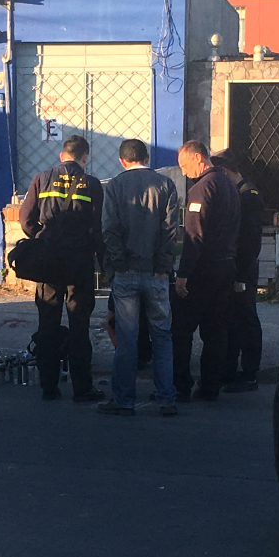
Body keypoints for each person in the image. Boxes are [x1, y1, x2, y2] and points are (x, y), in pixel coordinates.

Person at [19, 135, 105, 403]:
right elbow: (98, 227)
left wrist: (41, 239)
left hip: (48, 263)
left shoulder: (41, 179)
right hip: (79, 262)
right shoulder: (92, 184)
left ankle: (49, 386)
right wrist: (100, 259)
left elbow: (25, 219)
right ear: (85, 157)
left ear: (61, 156)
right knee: (79, 325)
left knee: (48, 324)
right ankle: (82, 388)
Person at [98, 139, 179, 417]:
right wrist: (163, 265)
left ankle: (124, 398)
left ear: (122, 161)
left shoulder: (115, 186)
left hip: (126, 273)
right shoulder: (165, 185)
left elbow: (109, 229)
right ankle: (167, 397)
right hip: (155, 273)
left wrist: (118, 265)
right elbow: (171, 230)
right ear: (147, 156)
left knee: (127, 338)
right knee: (162, 336)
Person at [170, 141, 241, 401]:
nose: (184, 172)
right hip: (226, 266)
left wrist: (183, 274)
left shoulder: (202, 189)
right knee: (215, 330)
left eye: (185, 165)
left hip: (203, 271)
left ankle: (180, 386)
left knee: (182, 330)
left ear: (198, 158)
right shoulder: (230, 186)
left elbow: (193, 236)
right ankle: (210, 386)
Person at [211, 148, 264, 393]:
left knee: (246, 320)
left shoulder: (248, 196)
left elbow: (250, 241)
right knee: (231, 320)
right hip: (233, 267)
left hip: (243, 268)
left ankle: (250, 373)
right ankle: (228, 370)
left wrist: (242, 277)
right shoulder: (237, 193)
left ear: (223, 172)